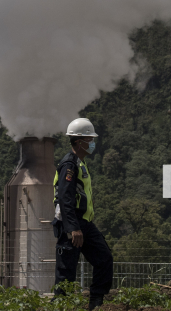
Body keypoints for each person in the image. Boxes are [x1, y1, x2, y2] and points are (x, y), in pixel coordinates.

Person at [52, 117, 113, 310]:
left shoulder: (80, 163)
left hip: (84, 224)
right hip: (72, 224)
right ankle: (61, 305)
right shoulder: (69, 165)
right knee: (66, 270)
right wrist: (73, 228)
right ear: (79, 142)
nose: (92, 143)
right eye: (89, 140)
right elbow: (65, 198)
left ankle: (96, 301)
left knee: (104, 258)